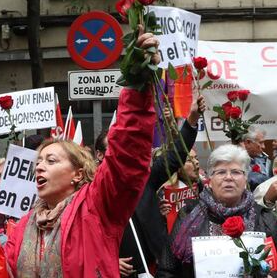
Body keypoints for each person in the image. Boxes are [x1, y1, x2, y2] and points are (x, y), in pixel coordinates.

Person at [0, 31, 160, 277]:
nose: (38, 167)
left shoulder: (97, 208)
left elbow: (126, 156)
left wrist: (136, 86)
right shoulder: (22, 227)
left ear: (78, 174)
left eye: (51, 160)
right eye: (38, 162)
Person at [157, 144, 277, 277]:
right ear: (210, 180)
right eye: (221, 172)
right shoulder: (187, 215)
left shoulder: (264, 218)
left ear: (245, 179)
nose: (228, 177)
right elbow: (167, 270)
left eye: (236, 172)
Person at [118, 95, 206, 277]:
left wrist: (192, 120)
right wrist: (109, 259)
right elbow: (90, 237)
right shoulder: (95, 193)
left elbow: (176, 156)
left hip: (156, 266)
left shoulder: (145, 180)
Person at [243, 126, 272, 191]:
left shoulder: (262, 159)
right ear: (248, 142)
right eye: (261, 142)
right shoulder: (237, 161)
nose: (263, 146)